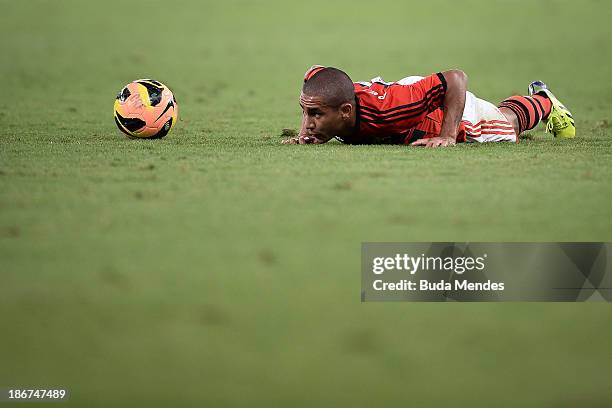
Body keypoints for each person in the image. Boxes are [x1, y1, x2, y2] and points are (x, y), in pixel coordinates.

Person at [282, 65, 575, 147]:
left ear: (345, 112)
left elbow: (456, 79)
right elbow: (314, 74)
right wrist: (308, 132)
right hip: (410, 94)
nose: (307, 122)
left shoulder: (387, 110)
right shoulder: (327, 100)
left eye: (316, 115)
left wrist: (448, 135)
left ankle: (543, 100)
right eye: (306, 112)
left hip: (436, 111)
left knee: (507, 125)